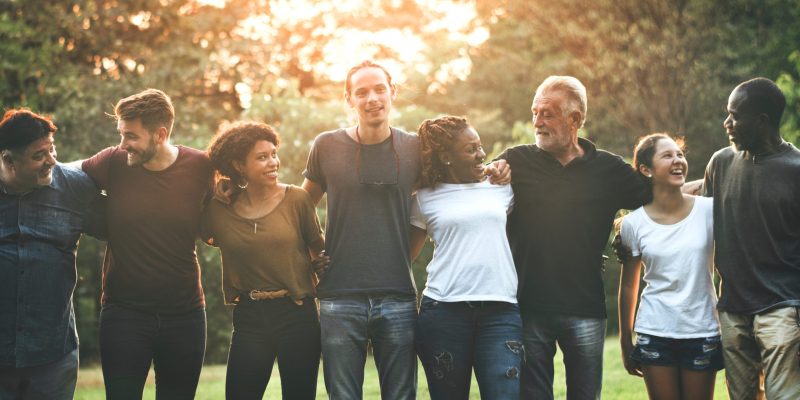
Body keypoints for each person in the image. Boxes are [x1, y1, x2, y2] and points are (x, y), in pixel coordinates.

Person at [300, 60, 510, 399]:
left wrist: (499, 168)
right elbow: (300, 206)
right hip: (339, 297)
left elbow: (448, 188)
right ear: (348, 99)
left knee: (400, 395)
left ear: (392, 93)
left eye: (380, 89)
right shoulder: (326, 146)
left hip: (397, 296)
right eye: (362, 92)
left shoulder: (415, 149)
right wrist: (315, 252)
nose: (372, 98)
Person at [496, 75, 650, 399]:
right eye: (535, 112)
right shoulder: (516, 160)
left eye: (548, 113)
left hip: (585, 307)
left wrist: (712, 186)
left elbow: (661, 197)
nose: (537, 121)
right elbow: (471, 189)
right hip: (528, 307)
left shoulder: (608, 169)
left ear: (575, 119)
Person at [80, 89, 213, 399]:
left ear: (160, 134)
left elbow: (228, 207)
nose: (123, 143)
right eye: (121, 134)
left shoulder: (200, 166)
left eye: (131, 136)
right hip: (124, 315)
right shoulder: (113, 161)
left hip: (185, 315)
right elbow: (63, 176)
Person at [202, 121, 326, 399]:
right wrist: (215, 187)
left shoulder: (297, 199)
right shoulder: (219, 208)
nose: (273, 162)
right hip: (250, 315)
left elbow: (320, 249)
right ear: (238, 165)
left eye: (273, 153)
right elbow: (188, 193)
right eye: (262, 157)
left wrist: (323, 275)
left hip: (297, 313)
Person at [409, 116, 523, 399]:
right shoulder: (424, 197)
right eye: (471, 149)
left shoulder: (501, 187)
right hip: (444, 313)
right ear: (446, 157)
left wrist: (503, 168)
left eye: (480, 147)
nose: (481, 154)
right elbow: (405, 256)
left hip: (501, 311)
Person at [702, 77, 800, 399]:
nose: (726, 123)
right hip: (732, 307)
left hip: (782, 307)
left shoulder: (796, 169)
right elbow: (695, 220)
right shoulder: (720, 163)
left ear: (762, 122)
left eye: (734, 115)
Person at [0, 109, 102, 400]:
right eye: (38, 156)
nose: (51, 161)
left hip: (53, 355)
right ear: (8, 160)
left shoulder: (73, 187)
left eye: (51, 149)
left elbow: (124, 223)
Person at [617, 133, 722, 400]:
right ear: (645, 169)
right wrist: (624, 340)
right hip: (655, 331)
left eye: (680, 154)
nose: (678, 160)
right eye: (667, 155)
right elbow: (629, 285)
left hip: (703, 329)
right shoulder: (633, 224)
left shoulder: (709, 211)